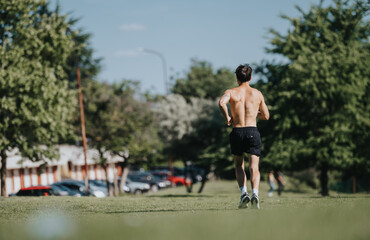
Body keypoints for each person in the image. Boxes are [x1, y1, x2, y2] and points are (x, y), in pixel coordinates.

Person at [218, 64, 269, 209]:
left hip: (237, 132)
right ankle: (255, 194)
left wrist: (228, 117)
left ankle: (244, 193)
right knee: (254, 167)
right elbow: (266, 116)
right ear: (251, 77)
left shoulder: (231, 92)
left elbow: (221, 103)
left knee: (239, 165)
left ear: (237, 78)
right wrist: (254, 113)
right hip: (253, 131)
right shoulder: (257, 93)